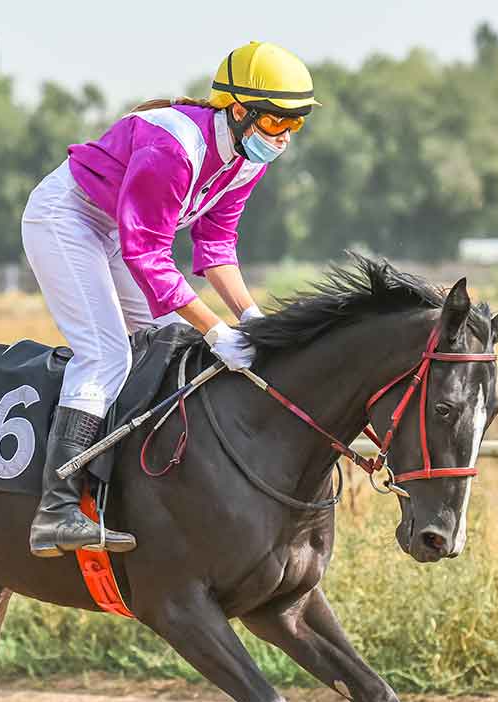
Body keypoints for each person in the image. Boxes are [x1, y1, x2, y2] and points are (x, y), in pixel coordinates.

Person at [22, 40, 319, 557]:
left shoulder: (247, 161)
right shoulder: (175, 147)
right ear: (239, 110)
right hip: (66, 218)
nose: (285, 137)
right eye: (277, 121)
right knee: (107, 354)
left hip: (116, 232)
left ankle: (134, 482)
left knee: (169, 342)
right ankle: (57, 508)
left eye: (295, 124)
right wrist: (215, 329)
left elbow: (216, 245)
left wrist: (250, 318)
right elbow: (147, 254)